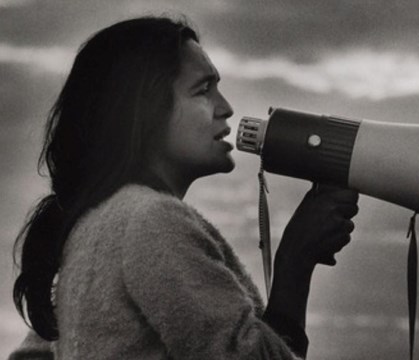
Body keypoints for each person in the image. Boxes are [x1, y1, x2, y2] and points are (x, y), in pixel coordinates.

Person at [10, 16, 358, 359]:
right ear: (146, 109)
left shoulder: (91, 229)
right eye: (203, 90)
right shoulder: (150, 221)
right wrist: (296, 262)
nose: (226, 108)